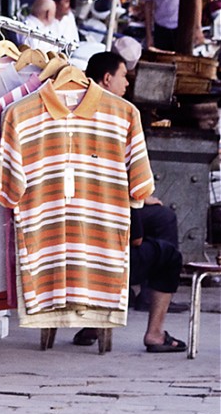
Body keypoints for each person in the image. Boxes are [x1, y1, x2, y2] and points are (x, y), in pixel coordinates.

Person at [73, 51, 186, 352]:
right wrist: (135, 200)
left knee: (163, 218)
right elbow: (131, 217)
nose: (127, 83)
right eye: (124, 76)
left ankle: (131, 299)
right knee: (168, 255)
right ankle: (153, 328)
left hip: (75, 222)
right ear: (107, 78)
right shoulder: (119, 115)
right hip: (103, 240)